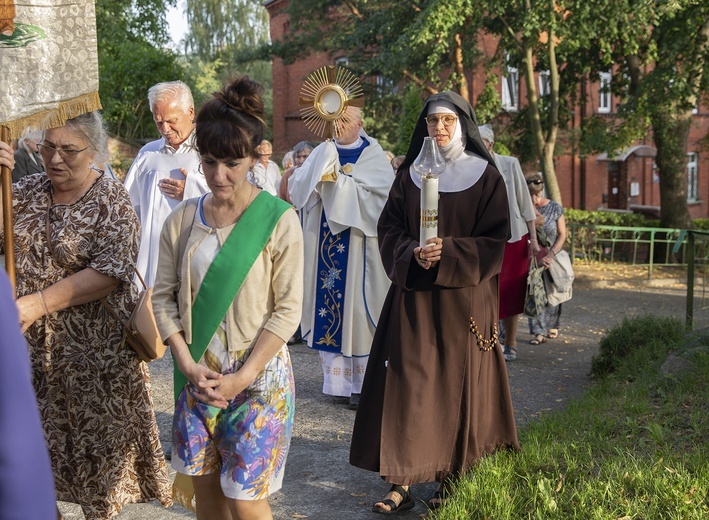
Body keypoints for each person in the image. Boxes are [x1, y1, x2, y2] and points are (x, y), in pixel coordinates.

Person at [350, 92, 519, 514]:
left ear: (462, 123)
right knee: (407, 381)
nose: (438, 128)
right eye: (431, 122)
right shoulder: (409, 175)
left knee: (456, 386)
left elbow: (496, 241)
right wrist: (412, 252)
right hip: (415, 298)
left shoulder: (485, 175)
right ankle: (401, 480)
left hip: (465, 300)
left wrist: (451, 251)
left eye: (446, 120)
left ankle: (452, 476)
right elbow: (388, 228)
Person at [0, 113, 172, 519]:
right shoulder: (23, 190)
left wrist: (38, 302)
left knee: (100, 480)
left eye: (68, 150)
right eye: (47, 147)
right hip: (34, 362)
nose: (55, 158)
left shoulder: (111, 199)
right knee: (36, 471)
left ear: (94, 150)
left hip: (98, 364)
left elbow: (111, 271)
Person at [152, 76, 303, 520]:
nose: (219, 175)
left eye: (232, 163)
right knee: (209, 501)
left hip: (258, 378)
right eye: (210, 162)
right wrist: (185, 361)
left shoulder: (278, 220)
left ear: (254, 156)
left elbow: (288, 309)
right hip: (197, 375)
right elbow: (162, 299)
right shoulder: (181, 222)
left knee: (244, 498)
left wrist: (242, 377)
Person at [285, 107, 394, 410]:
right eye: (334, 121)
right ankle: (338, 383)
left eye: (346, 121)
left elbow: (381, 201)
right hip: (324, 245)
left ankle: (362, 385)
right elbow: (297, 191)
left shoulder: (373, 156)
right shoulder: (322, 151)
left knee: (358, 316)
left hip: (360, 248)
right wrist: (318, 186)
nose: (339, 126)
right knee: (330, 313)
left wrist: (338, 185)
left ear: (360, 124)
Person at [124, 80, 210, 288]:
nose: (165, 129)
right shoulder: (148, 154)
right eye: (158, 122)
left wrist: (191, 189)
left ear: (190, 112)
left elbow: (231, 198)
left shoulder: (210, 148)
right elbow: (126, 206)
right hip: (150, 256)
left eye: (171, 121)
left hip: (195, 254)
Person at [479, 124, 540, 361]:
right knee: (486, 291)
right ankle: (489, 342)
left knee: (511, 290)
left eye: (481, 142)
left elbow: (525, 203)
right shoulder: (470, 166)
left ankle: (511, 341)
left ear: (491, 144)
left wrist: (533, 239)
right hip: (485, 238)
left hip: (514, 236)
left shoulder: (509, 164)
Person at [526, 172, 567, 344]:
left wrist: (551, 255)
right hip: (532, 258)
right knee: (534, 293)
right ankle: (538, 332)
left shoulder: (555, 207)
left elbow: (562, 234)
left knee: (553, 293)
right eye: (531, 195)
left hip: (552, 256)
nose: (536, 199)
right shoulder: (525, 209)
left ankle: (552, 325)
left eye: (538, 194)